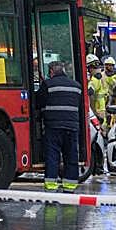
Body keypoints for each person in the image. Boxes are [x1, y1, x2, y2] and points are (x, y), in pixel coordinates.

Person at [37, 60, 82, 192]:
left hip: (53, 127)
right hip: (72, 127)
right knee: (71, 156)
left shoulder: (48, 84)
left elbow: (38, 102)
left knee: (52, 156)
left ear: (51, 71)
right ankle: (70, 186)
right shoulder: (77, 86)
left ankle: (51, 185)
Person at [86, 54, 110, 137]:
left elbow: (89, 92)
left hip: (96, 113)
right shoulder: (101, 77)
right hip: (100, 112)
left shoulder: (95, 79)